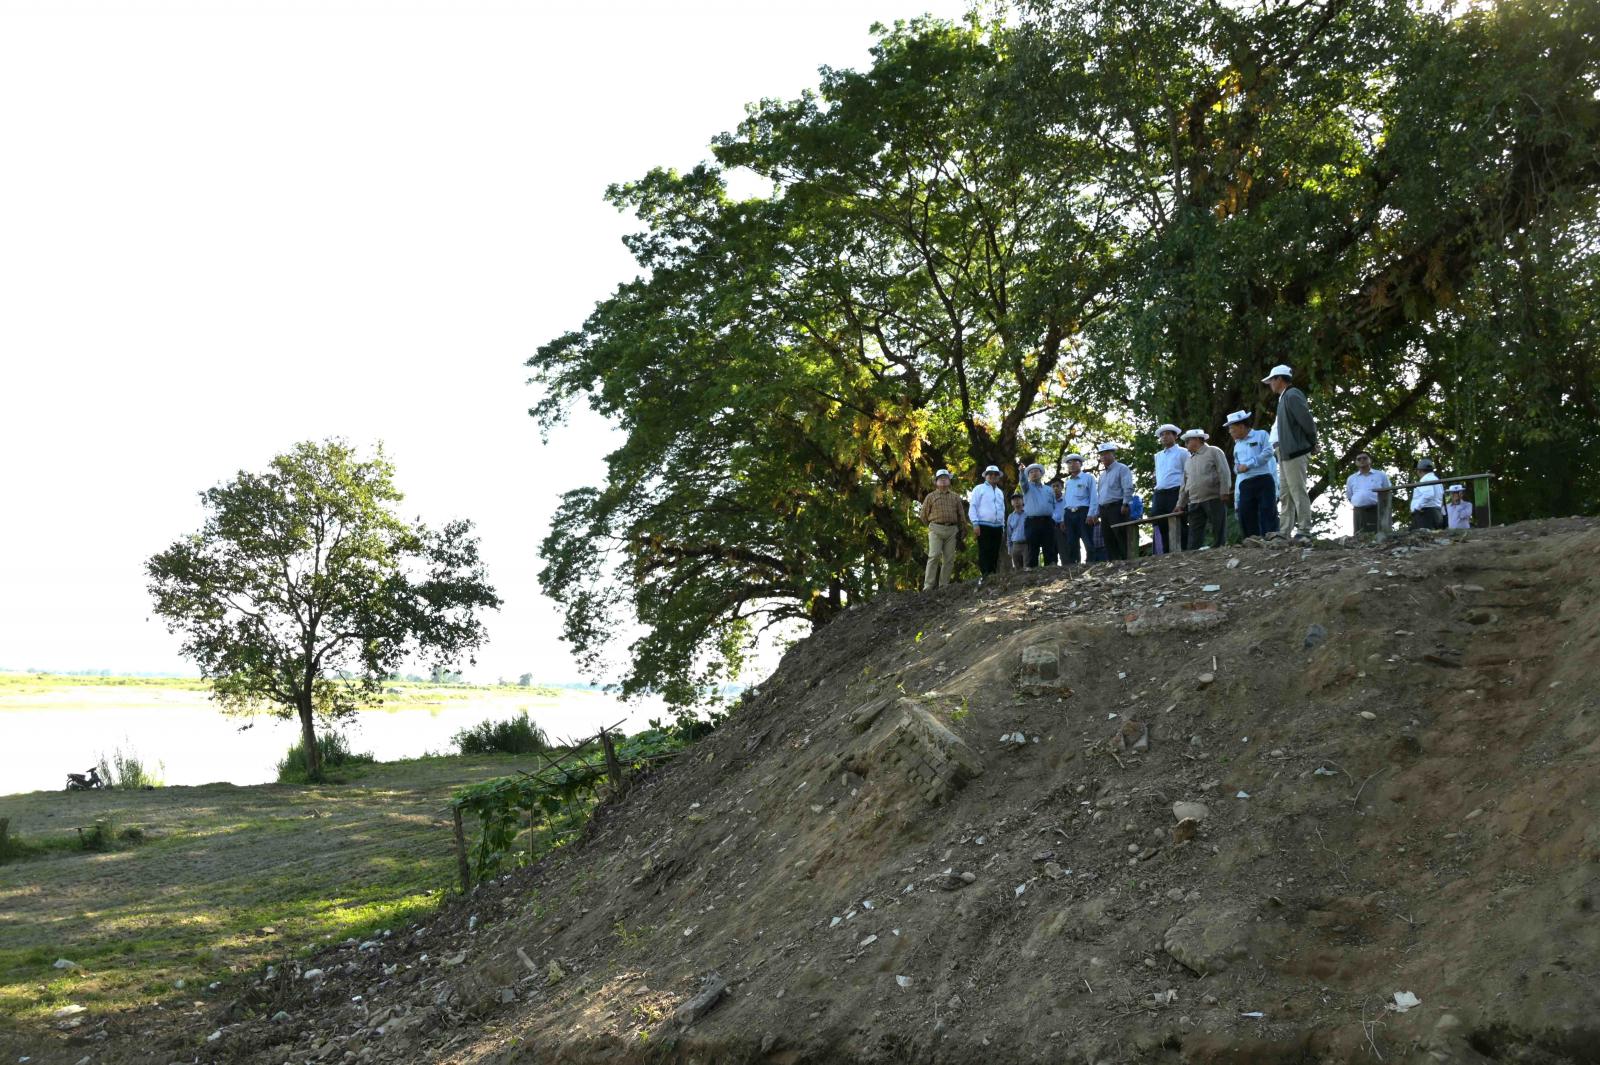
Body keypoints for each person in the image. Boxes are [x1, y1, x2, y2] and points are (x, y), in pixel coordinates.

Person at [1263, 363, 1317, 539]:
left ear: (1279, 379)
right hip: (1285, 452)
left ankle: (1304, 530)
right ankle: (1285, 531)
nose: (1270, 384)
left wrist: (1312, 442)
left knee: (1297, 491)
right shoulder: (1285, 397)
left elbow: (1306, 420)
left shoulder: (1292, 395)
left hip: (1294, 451)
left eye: (1271, 380)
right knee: (1286, 494)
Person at [1174, 428, 1233, 549]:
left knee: (1218, 526)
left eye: (1187, 441)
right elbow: (1184, 484)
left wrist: (1224, 491)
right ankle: (1193, 552)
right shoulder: (1189, 460)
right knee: (1194, 531)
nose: (1186, 445)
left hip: (1213, 496)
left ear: (1196, 440)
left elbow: (1224, 471)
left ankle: (1220, 549)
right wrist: (1180, 504)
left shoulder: (1213, 451)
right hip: (1194, 500)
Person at [1225, 410, 1276, 538]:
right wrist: (1237, 469)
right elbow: (1236, 464)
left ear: (1241, 426)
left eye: (1232, 429)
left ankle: (1270, 538)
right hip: (1245, 483)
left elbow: (1268, 452)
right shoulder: (1237, 445)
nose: (1230, 432)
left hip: (1263, 478)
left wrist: (1249, 464)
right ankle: (1252, 540)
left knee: (1267, 510)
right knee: (1246, 512)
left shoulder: (1261, 435)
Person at [919, 468, 970, 590]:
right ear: (936, 482)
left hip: (952, 530)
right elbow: (923, 515)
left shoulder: (955, 497)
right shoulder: (930, 496)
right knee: (934, 555)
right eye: (940, 478)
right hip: (935, 528)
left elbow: (961, 514)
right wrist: (932, 526)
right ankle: (928, 586)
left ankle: (944, 586)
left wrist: (964, 528)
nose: (943, 480)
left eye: (946, 478)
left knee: (949, 559)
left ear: (949, 481)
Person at [1087, 443, 1133, 561]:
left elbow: (1128, 487)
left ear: (1113, 454)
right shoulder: (1102, 475)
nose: (1104, 456)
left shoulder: (1122, 468)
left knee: (1121, 536)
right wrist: (1096, 513)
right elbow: (1101, 495)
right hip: (1104, 510)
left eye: (1107, 453)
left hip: (1117, 507)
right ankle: (1114, 563)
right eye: (1101, 454)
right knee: (1108, 538)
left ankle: (1128, 561)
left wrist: (1125, 503)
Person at [969, 465, 1008, 580]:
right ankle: (985, 574)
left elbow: (1002, 509)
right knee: (985, 550)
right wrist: (975, 523)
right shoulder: (979, 488)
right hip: (983, 525)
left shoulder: (1000, 492)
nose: (993, 476)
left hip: (998, 526)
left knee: (995, 551)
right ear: (985, 476)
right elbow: (973, 506)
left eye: (995, 474)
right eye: (990, 474)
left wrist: (1003, 526)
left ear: (998, 477)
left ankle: (993, 574)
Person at [1152, 423, 1187, 550]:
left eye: (1167, 434)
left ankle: (1184, 549)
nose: (1164, 437)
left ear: (1175, 436)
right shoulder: (1158, 455)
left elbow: (1188, 473)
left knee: (1178, 521)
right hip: (1160, 493)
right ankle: (1166, 551)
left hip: (1176, 491)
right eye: (1162, 435)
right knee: (1160, 522)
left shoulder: (1183, 452)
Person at [1058, 454, 1096, 565]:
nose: (1072, 465)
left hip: (1083, 512)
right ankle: (1074, 565)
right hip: (1069, 513)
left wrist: (1091, 514)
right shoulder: (1068, 482)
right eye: (1069, 463)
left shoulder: (1088, 478)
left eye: (1075, 462)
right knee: (1071, 541)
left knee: (1087, 540)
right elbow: (1066, 501)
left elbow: (1094, 497)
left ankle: (1091, 563)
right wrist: (1062, 519)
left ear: (1081, 464)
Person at [1344, 452, 1391, 535]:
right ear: (1356, 462)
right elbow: (1350, 496)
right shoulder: (1351, 478)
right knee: (1359, 536)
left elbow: (1387, 492)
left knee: (1378, 535)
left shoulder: (1380, 475)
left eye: (1364, 458)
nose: (1362, 460)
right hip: (1359, 512)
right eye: (1359, 459)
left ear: (1370, 460)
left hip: (1376, 510)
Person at [1020, 462, 1057, 567]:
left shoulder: (1049, 489)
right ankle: (1032, 569)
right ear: (1028, 476)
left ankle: (1050, 566)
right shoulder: (1027, 487)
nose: (1034, 473)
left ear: (1041, 473)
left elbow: (1053, 504)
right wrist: (1022, 472)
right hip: (1032, 521)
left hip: (1047, 521)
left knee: (1049, 546)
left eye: (1036, 471)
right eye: (1031, 472)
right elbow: (1022, 481)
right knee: (1032, 547)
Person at [1411, 459, 1444, 530]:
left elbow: (1428, 495)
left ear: (1419, 471)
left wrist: (1417, 508)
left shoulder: (1425, 479)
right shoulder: (1436, 479)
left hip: (1425, 514)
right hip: (1436, 512)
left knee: (1423, 535)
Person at [1006, 492, 1029, 571]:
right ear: (1011, 503)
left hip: (1027, 544)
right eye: (1014, 500)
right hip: (1015, 546)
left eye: (1018, 499)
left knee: (1027, 568)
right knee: (1018, 571)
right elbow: (1009, 534)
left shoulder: (1028, 513)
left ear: (1023, 501)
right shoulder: (1010, 517)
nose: (1016, 501)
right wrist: (1009, 548)